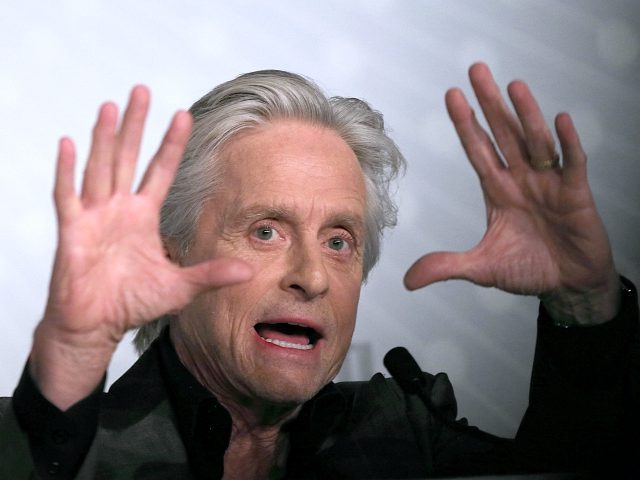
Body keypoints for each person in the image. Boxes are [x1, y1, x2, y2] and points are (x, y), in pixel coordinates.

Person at [0, 63, 637, 479]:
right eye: (266, 231)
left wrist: (584, 308)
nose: (312, 275)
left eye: (339, 241)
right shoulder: (69, 452)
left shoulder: (406, 436)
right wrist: (75, 348)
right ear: (170, 254)